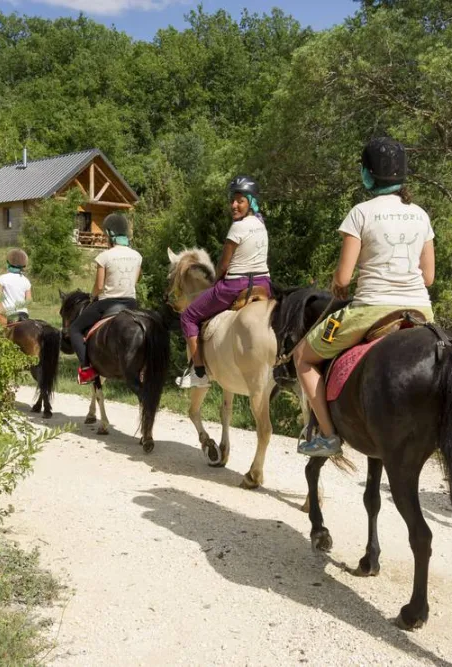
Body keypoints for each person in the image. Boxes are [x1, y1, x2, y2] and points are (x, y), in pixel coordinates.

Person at [293, 137, 435, 457]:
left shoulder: (360, 213)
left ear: (368, 174)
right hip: (421, 311)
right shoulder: (421, 215)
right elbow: (428, 277)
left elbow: (343, 277)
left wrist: (338, 283)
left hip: (371, 309)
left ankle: (328, 437)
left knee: (303, 358)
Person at [177, 175, 271, 389]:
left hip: (235, 286)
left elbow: (223, 265)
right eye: (233, 200)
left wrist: (215, 283)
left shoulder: (237, 227)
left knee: (188, 316)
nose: (234, 205)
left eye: (240, 200)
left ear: (251, 202)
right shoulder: (260, 224)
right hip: (264, 284)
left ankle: (199, 373)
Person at [68, 214, 143, 384]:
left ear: (109, 234)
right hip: (131, 303)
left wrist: (92, 296)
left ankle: (86, 369)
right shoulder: (137, 256)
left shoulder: (104, 256)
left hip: (108, 303)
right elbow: (136, 280)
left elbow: (100, 286)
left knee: (74, 329)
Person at [0, 248, 32, 324]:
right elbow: (29, 300)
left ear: (8, 263)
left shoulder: (2, 279)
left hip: (9, 314)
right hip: (23, 314)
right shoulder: (26, 280)